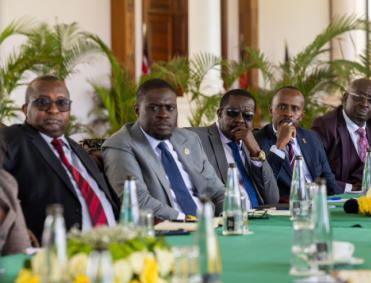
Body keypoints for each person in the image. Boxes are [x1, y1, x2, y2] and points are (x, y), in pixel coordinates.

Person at [0, 75, 120, 242]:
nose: (54, 110)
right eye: (43, 102)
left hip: (116, 244)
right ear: (26, 110)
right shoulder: (10, 138)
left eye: (62, 103)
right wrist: (16, 229)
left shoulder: (78, 149)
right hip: (58, 250)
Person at [103, 79, 226, 220]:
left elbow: (217, 191)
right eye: (154, 108)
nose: (164, 114)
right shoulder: (121, 144)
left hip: (211, 224)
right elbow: (138, 201)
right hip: (167, 229)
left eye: (170, 108)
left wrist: (227, 216)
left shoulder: (190, 139)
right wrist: (188, 221)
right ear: (137, 111)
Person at [311, 78, 371, 192]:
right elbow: (315, 173)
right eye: (359, 97)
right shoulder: (325, 126)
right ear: (346, 98)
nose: (365, 104)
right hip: (341, 198)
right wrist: (351, 187)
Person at [187, 89, 279, 209]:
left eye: (248, 116)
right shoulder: (195, 138)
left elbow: (272, 198)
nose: (240, 119)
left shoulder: (251, 144)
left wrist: (256, 152)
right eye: (233, 113)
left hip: (260, 217)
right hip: (226, 218)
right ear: (220, 114)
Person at [254, 86, 343, 199]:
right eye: (282, 107)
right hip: (285, 208)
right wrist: (280, 144)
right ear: (271, 111)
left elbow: (328, 180)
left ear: (301, 116)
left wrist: (340, 201)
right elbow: (263, 186)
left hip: (319, 203)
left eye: (295, 109)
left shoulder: (312, 137)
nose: (288, 113)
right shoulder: (257, 142)